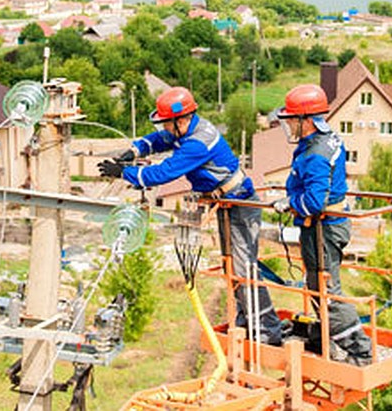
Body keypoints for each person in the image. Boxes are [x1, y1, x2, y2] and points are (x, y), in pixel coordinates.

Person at [98, 86, 283, 346]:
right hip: (229, 203)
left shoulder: (197, 142)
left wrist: (124, 173)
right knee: (234, 266)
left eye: (167, 123)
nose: (165, 129)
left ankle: (267, 330)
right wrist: (135, 151)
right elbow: (159, 140)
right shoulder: (186, 130)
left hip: (241, 204)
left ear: (180, 120)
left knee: (244, 269)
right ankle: (246, 320)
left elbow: (163, 173)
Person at [273, 83, 373, 365]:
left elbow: (315, 201)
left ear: (307, 121)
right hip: (327, 226)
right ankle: (333, 336)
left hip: (323, 229)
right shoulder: (324, 141)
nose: (289, 125)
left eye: (292, 119)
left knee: (326, 289)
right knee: (319, 284)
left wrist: (290, 204)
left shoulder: (316, 153)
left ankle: (358, 349)